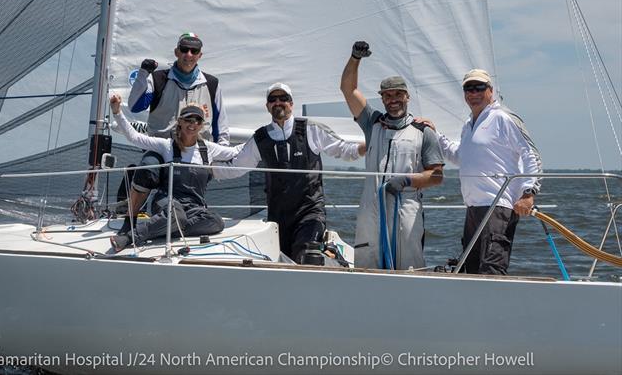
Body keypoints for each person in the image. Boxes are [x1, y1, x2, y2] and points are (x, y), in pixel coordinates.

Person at [214, 83, 364, 263]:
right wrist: (205, 170)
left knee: (307, 255)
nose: (278, 102)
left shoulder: (311, 129)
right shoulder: (260, 139)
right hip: (278, 217)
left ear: (291, 104)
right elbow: (237, 167)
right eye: (273, 99)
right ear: (267, 106)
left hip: (310, 212)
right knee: (282, 260)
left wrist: (370, 144)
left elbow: (345, 150)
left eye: (283, 99)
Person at [416, 69, 542, 275]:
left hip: (497, 205)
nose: (473, 93)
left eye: (479, 87)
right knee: (471, 269)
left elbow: (531, 154)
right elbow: (460, 156)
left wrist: (529, 194)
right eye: (468, 88)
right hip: (474, 207)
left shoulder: (503, 118)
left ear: (490, 91)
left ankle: (494, 305)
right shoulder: (469, 124)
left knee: (492, 267)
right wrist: (434, 133)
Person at [340, 41, 444, 270]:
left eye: (398, 94)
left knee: (408, 267)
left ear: (407, 97)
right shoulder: (372, 123)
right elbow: (348, 89)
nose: (393, 99)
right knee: (367, 266)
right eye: (387, 95)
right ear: (382, 99)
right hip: (371, 207)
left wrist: (407, 180)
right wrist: (355, 58)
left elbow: (437, 176)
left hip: (406, 206)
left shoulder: (423, 131)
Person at [108, 94, 240, 252]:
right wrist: (117, 112)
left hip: (194, 207)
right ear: (180, 121)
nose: (193, 124)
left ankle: (166, 228)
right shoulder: (167, 146)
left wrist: (260, 139)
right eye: (188, 120)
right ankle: (131, 237)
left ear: (202, 125)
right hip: (167, 202)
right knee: (176, 215)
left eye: (197, 120)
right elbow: (134, 137)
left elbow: (235, 152)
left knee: (216, 221)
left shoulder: (208, 149)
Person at [128, 32, 229, 145]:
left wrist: (221, 155)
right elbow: (135, 106)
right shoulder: (157, 79)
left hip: (198, 152)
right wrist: (143, 74)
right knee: (149, 163)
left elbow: (221, 127)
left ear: (200, 55)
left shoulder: (212, 84)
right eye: (184, 49)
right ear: (176, 52)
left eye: (194, 51)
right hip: (161, 148)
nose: (189, 55)